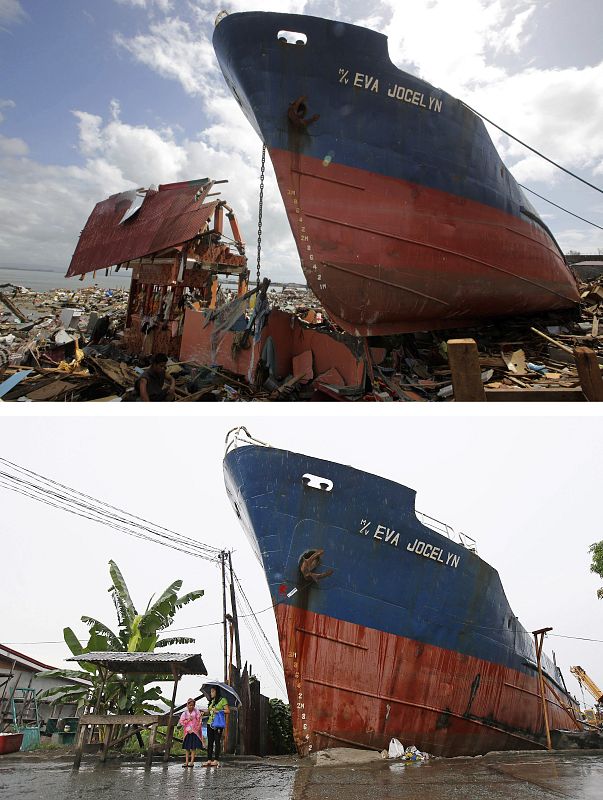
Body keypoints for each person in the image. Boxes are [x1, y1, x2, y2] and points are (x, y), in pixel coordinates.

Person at [203, 686, 229, 766]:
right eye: (211, 692)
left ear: (216, 692)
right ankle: (209, 759)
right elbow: (209, 711)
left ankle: (216, 760)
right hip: (209, 723)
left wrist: (218, 711)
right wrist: (204, 713)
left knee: (217, 741)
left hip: (217, 724)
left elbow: (228, 711)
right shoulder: (212, 701)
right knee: (210, 742)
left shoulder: (223, 700)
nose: (211, 693)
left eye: (212, 691)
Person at [178, 698, 203, 768]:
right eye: (190, 705)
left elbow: (199, 720)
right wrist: (188, 720)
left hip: (194, 732)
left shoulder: (197, 712)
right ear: (187, 705)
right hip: (187, 732)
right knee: (187, 748)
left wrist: (197, 728)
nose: (191, 707)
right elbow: (181, 722)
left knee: (193, 747)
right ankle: (186, 762)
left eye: (193, 705)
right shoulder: (185, 713)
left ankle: (191, 762)